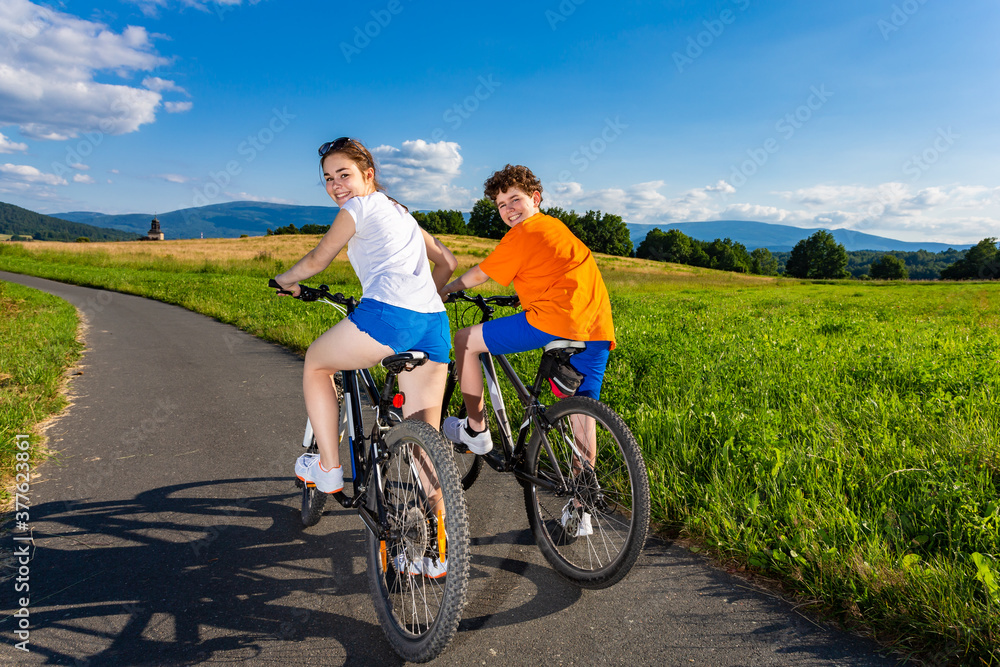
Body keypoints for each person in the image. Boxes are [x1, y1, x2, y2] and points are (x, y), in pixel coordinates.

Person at [274, 137, 457, 571]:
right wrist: (428, 294)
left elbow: (319, 258)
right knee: (422, 443)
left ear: (367, 175)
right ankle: (437, 553)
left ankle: (329, 468)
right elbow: (446, 261)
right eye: (328, 178)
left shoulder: (357, 208)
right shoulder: (403, 214)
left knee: (317, 363)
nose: (337, 186)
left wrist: (285, 279)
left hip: (390, 315)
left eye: (344, 175)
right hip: (433, 322)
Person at [438, 164, 615, 537]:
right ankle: (580, 511)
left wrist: (446, 289)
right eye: (501, 204)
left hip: (553, 320)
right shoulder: (558, 229)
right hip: (596, 325)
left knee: (465, 340)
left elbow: (480, 275)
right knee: (583, 412)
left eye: (514, 199)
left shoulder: (525, 231)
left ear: (535, 198)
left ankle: (475, 430)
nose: (508, 209)